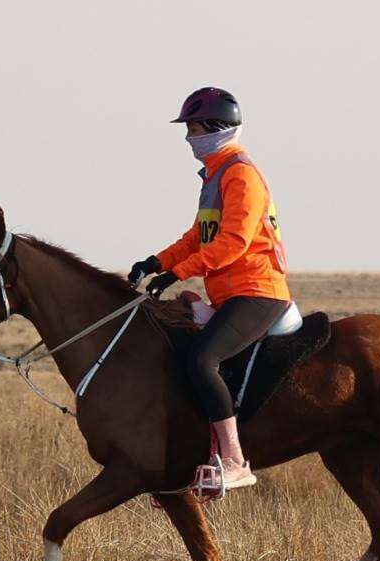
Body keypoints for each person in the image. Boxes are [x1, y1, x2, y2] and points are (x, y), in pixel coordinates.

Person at [129, 87, 291, 494]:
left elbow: (232, 243)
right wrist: (156, 263)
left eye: (194, 128)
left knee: (203, 360)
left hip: (258, 292)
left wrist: (178, 273)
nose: (188, 138)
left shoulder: (241, 175)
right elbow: (197, 237)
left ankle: (235, 462)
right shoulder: (216, 176)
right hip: (229, 294)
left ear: (217, 128)